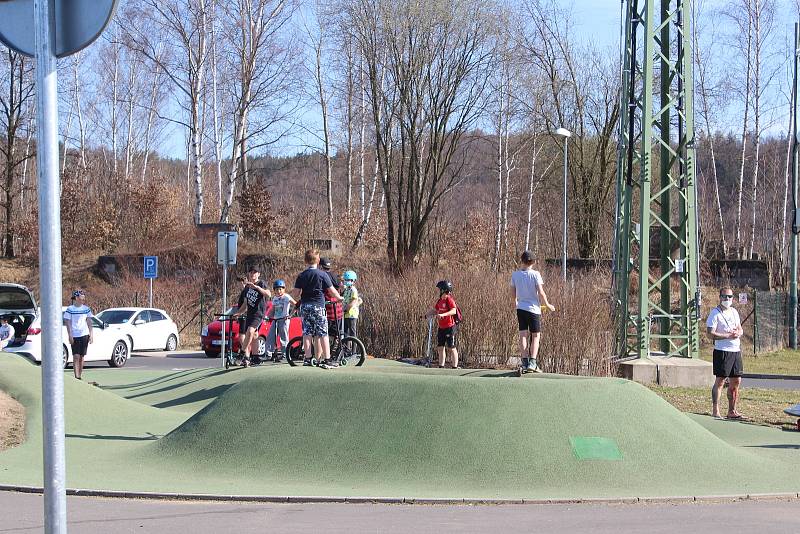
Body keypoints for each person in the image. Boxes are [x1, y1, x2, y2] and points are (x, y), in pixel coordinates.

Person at [290, 249, 342, 369]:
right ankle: (327, 359)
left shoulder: (301, 275)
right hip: (318, 306)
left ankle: (308, 359)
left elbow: (296, 294)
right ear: (318, 260)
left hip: (305, 307)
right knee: (323, 333)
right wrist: (339, 298)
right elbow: (332, 290)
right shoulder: (322, 274)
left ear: (305, 261)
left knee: (307, 333)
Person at [510, 251, 556, 373]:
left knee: (523, 335)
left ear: (522, 260)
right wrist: (547, 304)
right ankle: (532, 362)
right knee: (536, 336)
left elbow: (513, 292)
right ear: (534, 262)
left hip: (521, 308)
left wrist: (515, 302)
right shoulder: (536, 274)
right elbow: (541, 292)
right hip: (534, 310)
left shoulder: (515, 275)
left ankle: (524, 361)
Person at [707, 287, 744, 419]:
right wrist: (726, 335)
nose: (727, 299)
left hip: (736, 350)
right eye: (724, 297)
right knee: (720, 381)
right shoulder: (715, 313)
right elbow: (710, 334)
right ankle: (715, 410)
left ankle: (732, 410)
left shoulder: (734, 312)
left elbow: (740, 328)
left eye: (729, 297)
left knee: (736, 381)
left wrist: (738, 333)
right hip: (722, 351)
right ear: (720, 297)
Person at [232, 266, 271, 367]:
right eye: (251, 272)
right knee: (254, 336)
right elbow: (245, 304)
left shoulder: (261, 283)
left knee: (250, 331)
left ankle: (242, 354)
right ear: (249, 274)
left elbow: (268, 294)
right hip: (250, 314)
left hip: (259, 314)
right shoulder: (247, 288)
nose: (253, 274)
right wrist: (238, 313)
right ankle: (255, 357)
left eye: (255, 272)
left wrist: (257, 288)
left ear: (258, 274)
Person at [426, 280, 460, 369]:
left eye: (440, 289)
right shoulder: (440, 300)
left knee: (451, 347)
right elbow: (435, 310)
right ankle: (441, 366)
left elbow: (454, 310)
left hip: (449, 327)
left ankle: (454, 367)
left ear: (444, 290)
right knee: (440, 347)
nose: (439, 291)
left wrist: (442, 315)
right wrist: (426, 315)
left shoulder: (449, 299)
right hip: (441, 327)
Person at [63, 289, 93, 380]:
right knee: (76, 355)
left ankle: (80, 375)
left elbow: (89, 321)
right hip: (75, 335)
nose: (83, 301)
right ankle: (76, 376)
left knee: (81, 356)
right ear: (76, 298)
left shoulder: (86, 309)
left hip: (84, 334)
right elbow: (67, 322)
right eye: (81, 298)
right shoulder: (70, 309)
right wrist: (70, 335)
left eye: (84, 299)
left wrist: (91, 334)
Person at [266, 279, 296, 362]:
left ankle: (285, 354)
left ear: (284, 289)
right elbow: (273, 309)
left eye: (280, 289)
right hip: (276, 319)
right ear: (274, 290)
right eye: (276, 289)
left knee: (284, 338)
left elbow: (296, 304)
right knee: (270, 336)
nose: (279, 291)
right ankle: (269, 354)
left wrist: (290, 315)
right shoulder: (275, 298)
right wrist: (268, 316)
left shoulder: (286, 297)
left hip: (284, 319)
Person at [320, 257, 344, 342]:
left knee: (326, 333)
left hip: (329, 311)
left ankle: (329, 352)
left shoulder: (323, 277)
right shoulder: (335, 276)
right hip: (338, 310)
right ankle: (339, 349)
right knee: (338, 333)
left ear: (320, 266)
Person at [342, 270, 362, 338]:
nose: (346, 281)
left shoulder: (353, 290)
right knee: (345, 332)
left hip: (352, 314)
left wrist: (346, 309)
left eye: (348, 280)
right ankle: (346, 348)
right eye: (345, 279)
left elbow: (353, 301)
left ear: (353, 281)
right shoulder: (346, 289)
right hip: (346, 314)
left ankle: (354, 348)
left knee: (352, 332)